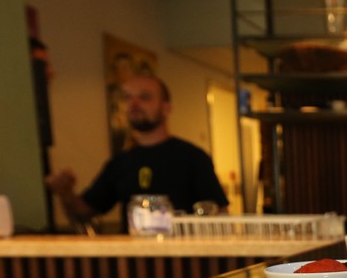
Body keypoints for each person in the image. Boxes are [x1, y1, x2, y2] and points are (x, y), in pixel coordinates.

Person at [47, 74, 229, 228]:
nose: (134, 103)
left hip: (185, 256)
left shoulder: (193, 158)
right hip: (135, 257)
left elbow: (219, 214)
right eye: (127, 97)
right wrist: (65, 192)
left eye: (144, 97)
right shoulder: (119, 163)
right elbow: (83, 213)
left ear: (166, 108)